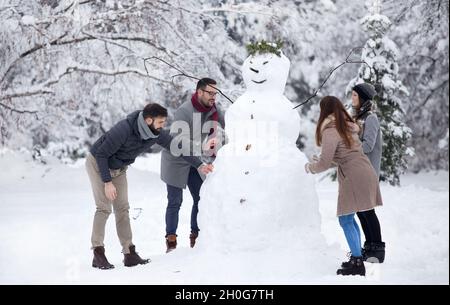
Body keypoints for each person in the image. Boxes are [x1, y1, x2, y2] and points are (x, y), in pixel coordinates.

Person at [87, 103, 213, 269]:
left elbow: (178, 147)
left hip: (118, 168)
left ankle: (129, 253)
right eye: (160, 122)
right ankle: (98, 253)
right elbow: (102, 154)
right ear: (148, 120)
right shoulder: (124, 129)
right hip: (98, 163)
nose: (163, 126)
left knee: (123, 208)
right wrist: (107, 182)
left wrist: (198, 165)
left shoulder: (155, 133)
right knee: (104, 208)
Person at [305, 96, 383, 276]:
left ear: (324, 111)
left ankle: (356, 262)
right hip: (364, 171)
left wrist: (310, 167)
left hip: (354, 176)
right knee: (348, 218)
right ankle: (357, 257)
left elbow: (325, 164)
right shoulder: (347, 127)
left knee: (345, 219)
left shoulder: (331, 130)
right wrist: (323, 161)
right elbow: (343, 156)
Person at [161, 78, 225, 252]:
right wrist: (202, 146)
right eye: (210, 93)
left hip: (196, 160)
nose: (214, 97)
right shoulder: (184, 111)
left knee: (200, 197)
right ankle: (171, 241)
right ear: (200, 92)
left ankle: (195, 236)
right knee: (175, 201)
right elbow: (177, 142)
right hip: (176, 160)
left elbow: (225, 130)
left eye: (215, 93)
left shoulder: (215, 111)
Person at [351, 83, 386, 263]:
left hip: (368, 171)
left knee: (367, 211)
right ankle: (369, 247)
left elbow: (368, 145)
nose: (352, 98)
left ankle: (378, 250)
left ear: (363, 98)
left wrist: (349, 146)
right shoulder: (357, 117)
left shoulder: (370, 118)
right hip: (357, 171)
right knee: (360, 211)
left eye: (355, 96)